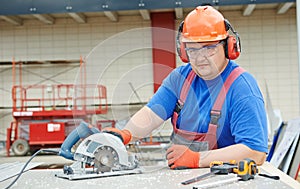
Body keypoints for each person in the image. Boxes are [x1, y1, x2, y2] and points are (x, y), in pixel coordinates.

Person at [60, 5, 268, 169]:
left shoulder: (242, 88)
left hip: (228, 183)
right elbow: (151, 115)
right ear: (183, 51)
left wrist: (198, 159)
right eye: (193, 49)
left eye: (210, 48)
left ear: (228, 46)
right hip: (182, 181)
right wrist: (126, 134)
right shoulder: (180, 78)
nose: (201, 57)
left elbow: (255, 151)